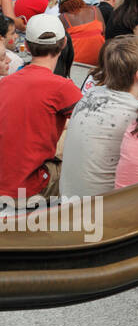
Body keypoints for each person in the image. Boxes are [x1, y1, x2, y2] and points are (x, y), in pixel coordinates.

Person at [0, 13, 82, 206]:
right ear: (63, 45)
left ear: (27, 47)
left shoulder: (6, 82)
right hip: (30, 187)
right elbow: (92, 125)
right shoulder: (62, 87)